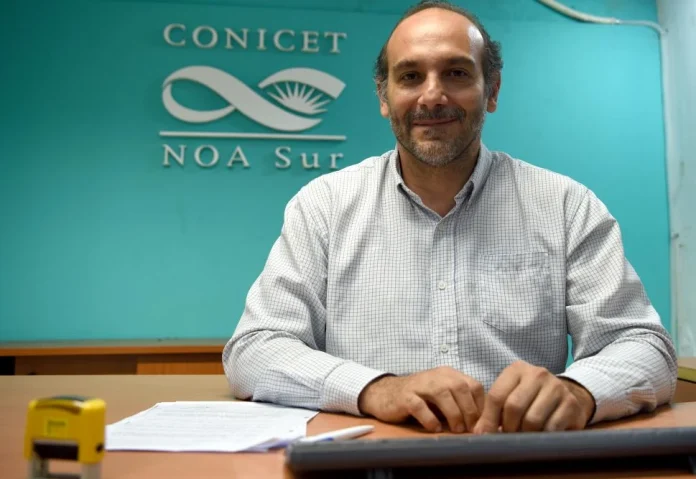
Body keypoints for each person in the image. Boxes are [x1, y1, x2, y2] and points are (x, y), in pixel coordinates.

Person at [222, 0, 677, 435]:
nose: (433, 96)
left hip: (517, 458)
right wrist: (378, 389)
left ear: (492, 90)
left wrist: (578, 392)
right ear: (384, 96)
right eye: (410, 76)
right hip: (369, 457)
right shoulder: (323, 206)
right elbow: (255, 349)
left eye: (456, 73)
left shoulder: (565, 207)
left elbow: (644, 346)